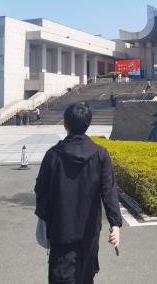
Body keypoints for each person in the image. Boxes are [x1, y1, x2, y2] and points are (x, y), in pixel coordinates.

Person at [35, 102, 122, 284]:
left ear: (65, 124)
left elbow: (41, 190)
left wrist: (45, 216)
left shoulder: (53, 155)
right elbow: (109, 191)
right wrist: (115, 224)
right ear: (88, 124)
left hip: (60, 229)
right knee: (85, 275)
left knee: (61, 276)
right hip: (89, 230)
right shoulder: (100, 154)